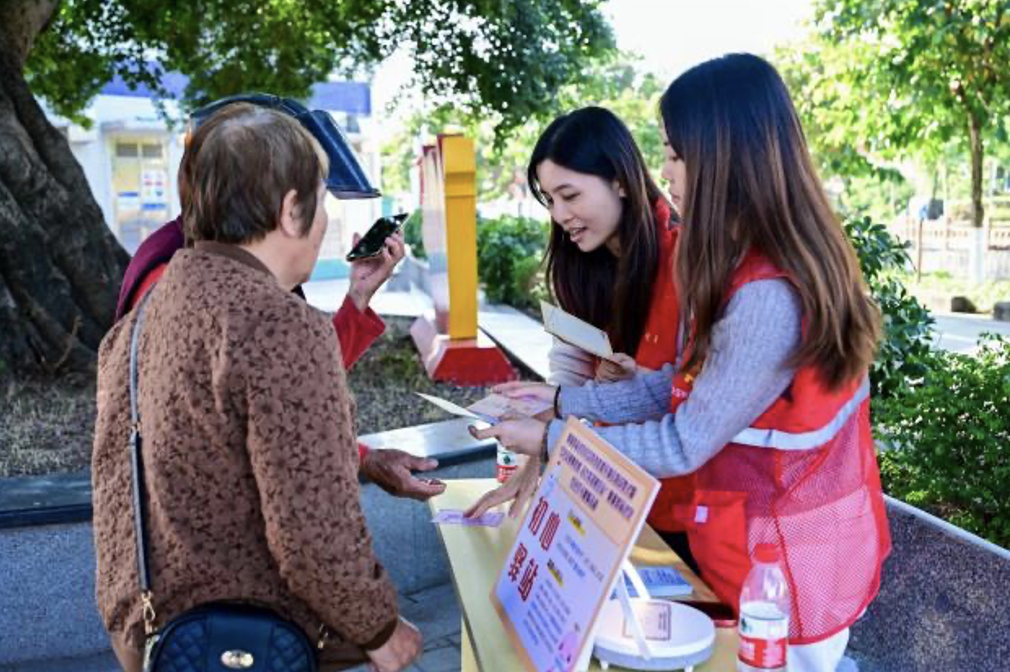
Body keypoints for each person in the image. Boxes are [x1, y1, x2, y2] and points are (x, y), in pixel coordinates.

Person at [467, 54, 891, 672]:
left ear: (726, 156)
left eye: (674, 153)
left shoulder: (766, 294)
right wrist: (561, 401)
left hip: (786, 573)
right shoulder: (742, 263)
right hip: (755, 548)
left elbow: (684, 439)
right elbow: (678, 384)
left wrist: (555, 438)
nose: (663, 172)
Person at [93, 103, 422, 672]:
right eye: (321, 200)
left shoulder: (148, 311)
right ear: (291, 209)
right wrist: (380, 627)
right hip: (242, 641)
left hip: (152, 631)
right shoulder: (276, 321)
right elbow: (312, 534)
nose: (325, 220)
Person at [116, 94, 444, 502]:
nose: (320, 224)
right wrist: (356, 458)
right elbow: (208, 430)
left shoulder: (245, 268)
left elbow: (291, 376)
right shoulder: (175, 279)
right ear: (278, 203)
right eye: (315, 203)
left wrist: (358, 297)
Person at [526, 107, 697, 565]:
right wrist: (547, 420)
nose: (560, 215)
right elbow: (569, 373)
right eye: (550, 199)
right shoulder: (578, 265)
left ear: (620, 181)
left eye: (570, 195)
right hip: (609, 489)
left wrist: (605, 393)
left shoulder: (687, 260)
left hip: (684, 507)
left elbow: (692, 392)